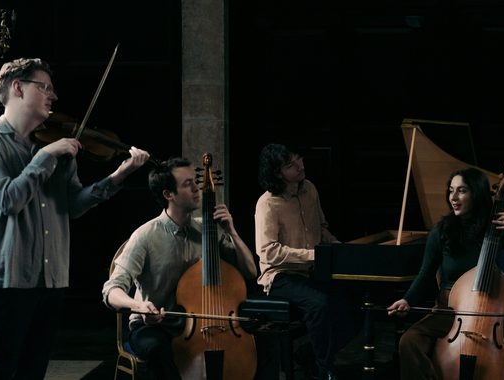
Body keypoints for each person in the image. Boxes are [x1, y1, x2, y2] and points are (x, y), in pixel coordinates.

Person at [0, 57, 150, 379]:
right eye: (45, 88)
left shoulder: (53, 145)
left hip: (51, 279)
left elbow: (73, 206)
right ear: (18, 88)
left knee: (32, 372)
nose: (53, 96)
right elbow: (9, 201)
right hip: (7, 280)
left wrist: (119, 175)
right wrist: (44, 158)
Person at [102, 157, 274, 380]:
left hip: (207, 322)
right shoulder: (145, 236)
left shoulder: (207, 230)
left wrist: (232, 232)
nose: (197, 189)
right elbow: (111, 290)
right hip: (158, 325)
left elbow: (250, 272)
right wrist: (139, 306)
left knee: (266, 340)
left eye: (196, 181)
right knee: (157, 347)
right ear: (168, 194)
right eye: (187, 184)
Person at [386, 167, 504, 380]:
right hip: (450, 311)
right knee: (410, 341)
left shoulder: (498, 230)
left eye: (461, 191)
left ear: (477, 193)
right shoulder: (441, 231)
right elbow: (426, 274)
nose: (453, 197)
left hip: (493, 313)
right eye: (451, 190)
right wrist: (407, 299)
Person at [254, 143, 355, 380]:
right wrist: (312, 255)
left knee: (353, 301)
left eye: (299, 158)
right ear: (278, 173)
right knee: (319, 304)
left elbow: (321, 229)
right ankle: (324, 371)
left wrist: (342, 251)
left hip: (312, 269)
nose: (300, 166)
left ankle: (309, 354)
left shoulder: (309, 189)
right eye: (291, 165)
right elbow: (267, 252)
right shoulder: (267, 203)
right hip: (279, 275)